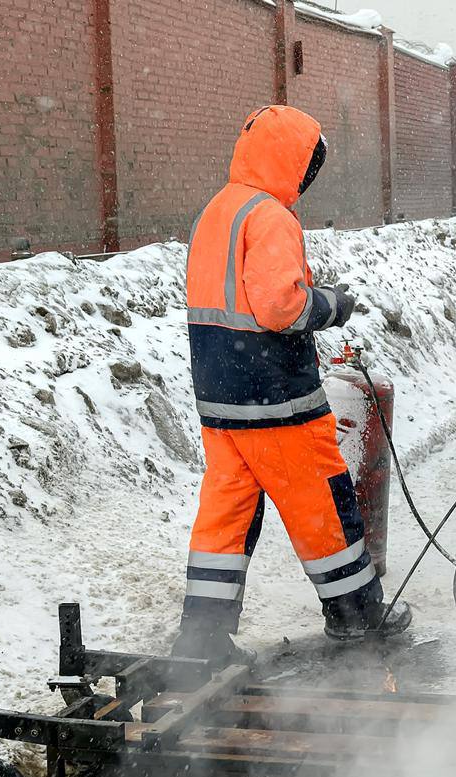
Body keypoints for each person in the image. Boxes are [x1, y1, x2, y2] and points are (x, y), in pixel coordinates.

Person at [173, 105, 411, 664]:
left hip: (219, 396)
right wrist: (332, 304)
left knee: (225, 514)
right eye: (309, 165)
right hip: (276, 397)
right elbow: (280, 307)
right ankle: (356, 614)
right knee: (321, 503)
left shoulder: (217, 211)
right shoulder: (270, 216)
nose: (308, 178)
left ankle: (202, 636)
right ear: (293, 161)